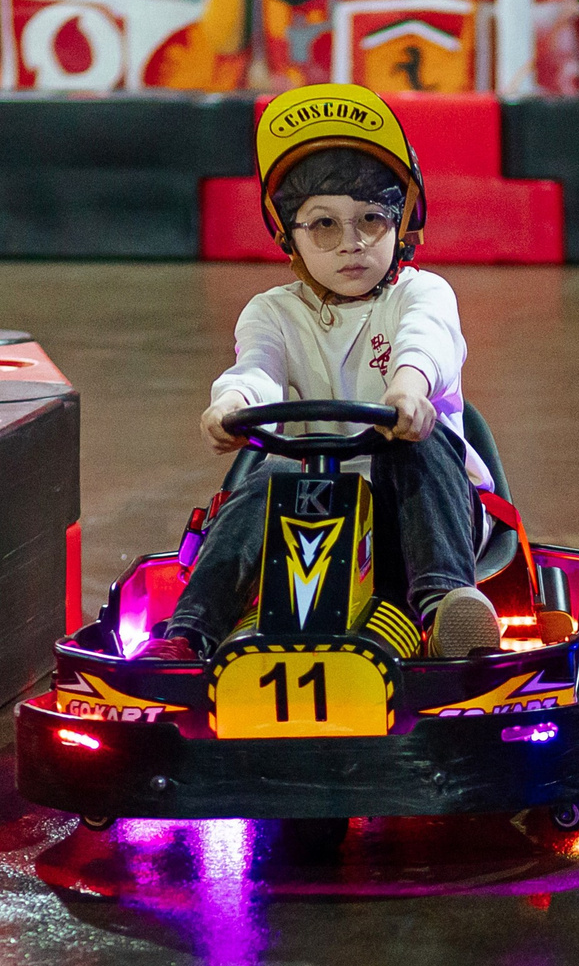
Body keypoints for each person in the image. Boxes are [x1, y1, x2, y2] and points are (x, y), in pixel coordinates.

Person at [137, 84, 500, 663]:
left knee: (413, 448)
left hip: (421, 512)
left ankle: (444, 606)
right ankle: (189, 634)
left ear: (401, 224)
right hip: (309, 512)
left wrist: (409, 387)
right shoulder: (273, 312)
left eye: (371, 219)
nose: (352, 243)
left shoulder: (420, 293)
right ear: (290, 237)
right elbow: (255, 369)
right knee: (258, 486)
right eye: (324, 225)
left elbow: (425, 342)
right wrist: (230, 406)